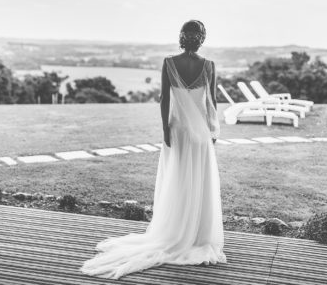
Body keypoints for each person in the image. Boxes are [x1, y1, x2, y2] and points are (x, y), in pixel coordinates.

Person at [80, 20, 226, 279]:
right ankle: (195, 234)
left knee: (177, 179)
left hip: (178, 130)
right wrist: (213, 132)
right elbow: (211, 102)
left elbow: (165, 99)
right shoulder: (209, 66)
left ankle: (175, 231)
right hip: (201, 134)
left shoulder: (169, 62)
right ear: (201, 38)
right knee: (199, 182)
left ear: (182, 37)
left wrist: (165, 129)